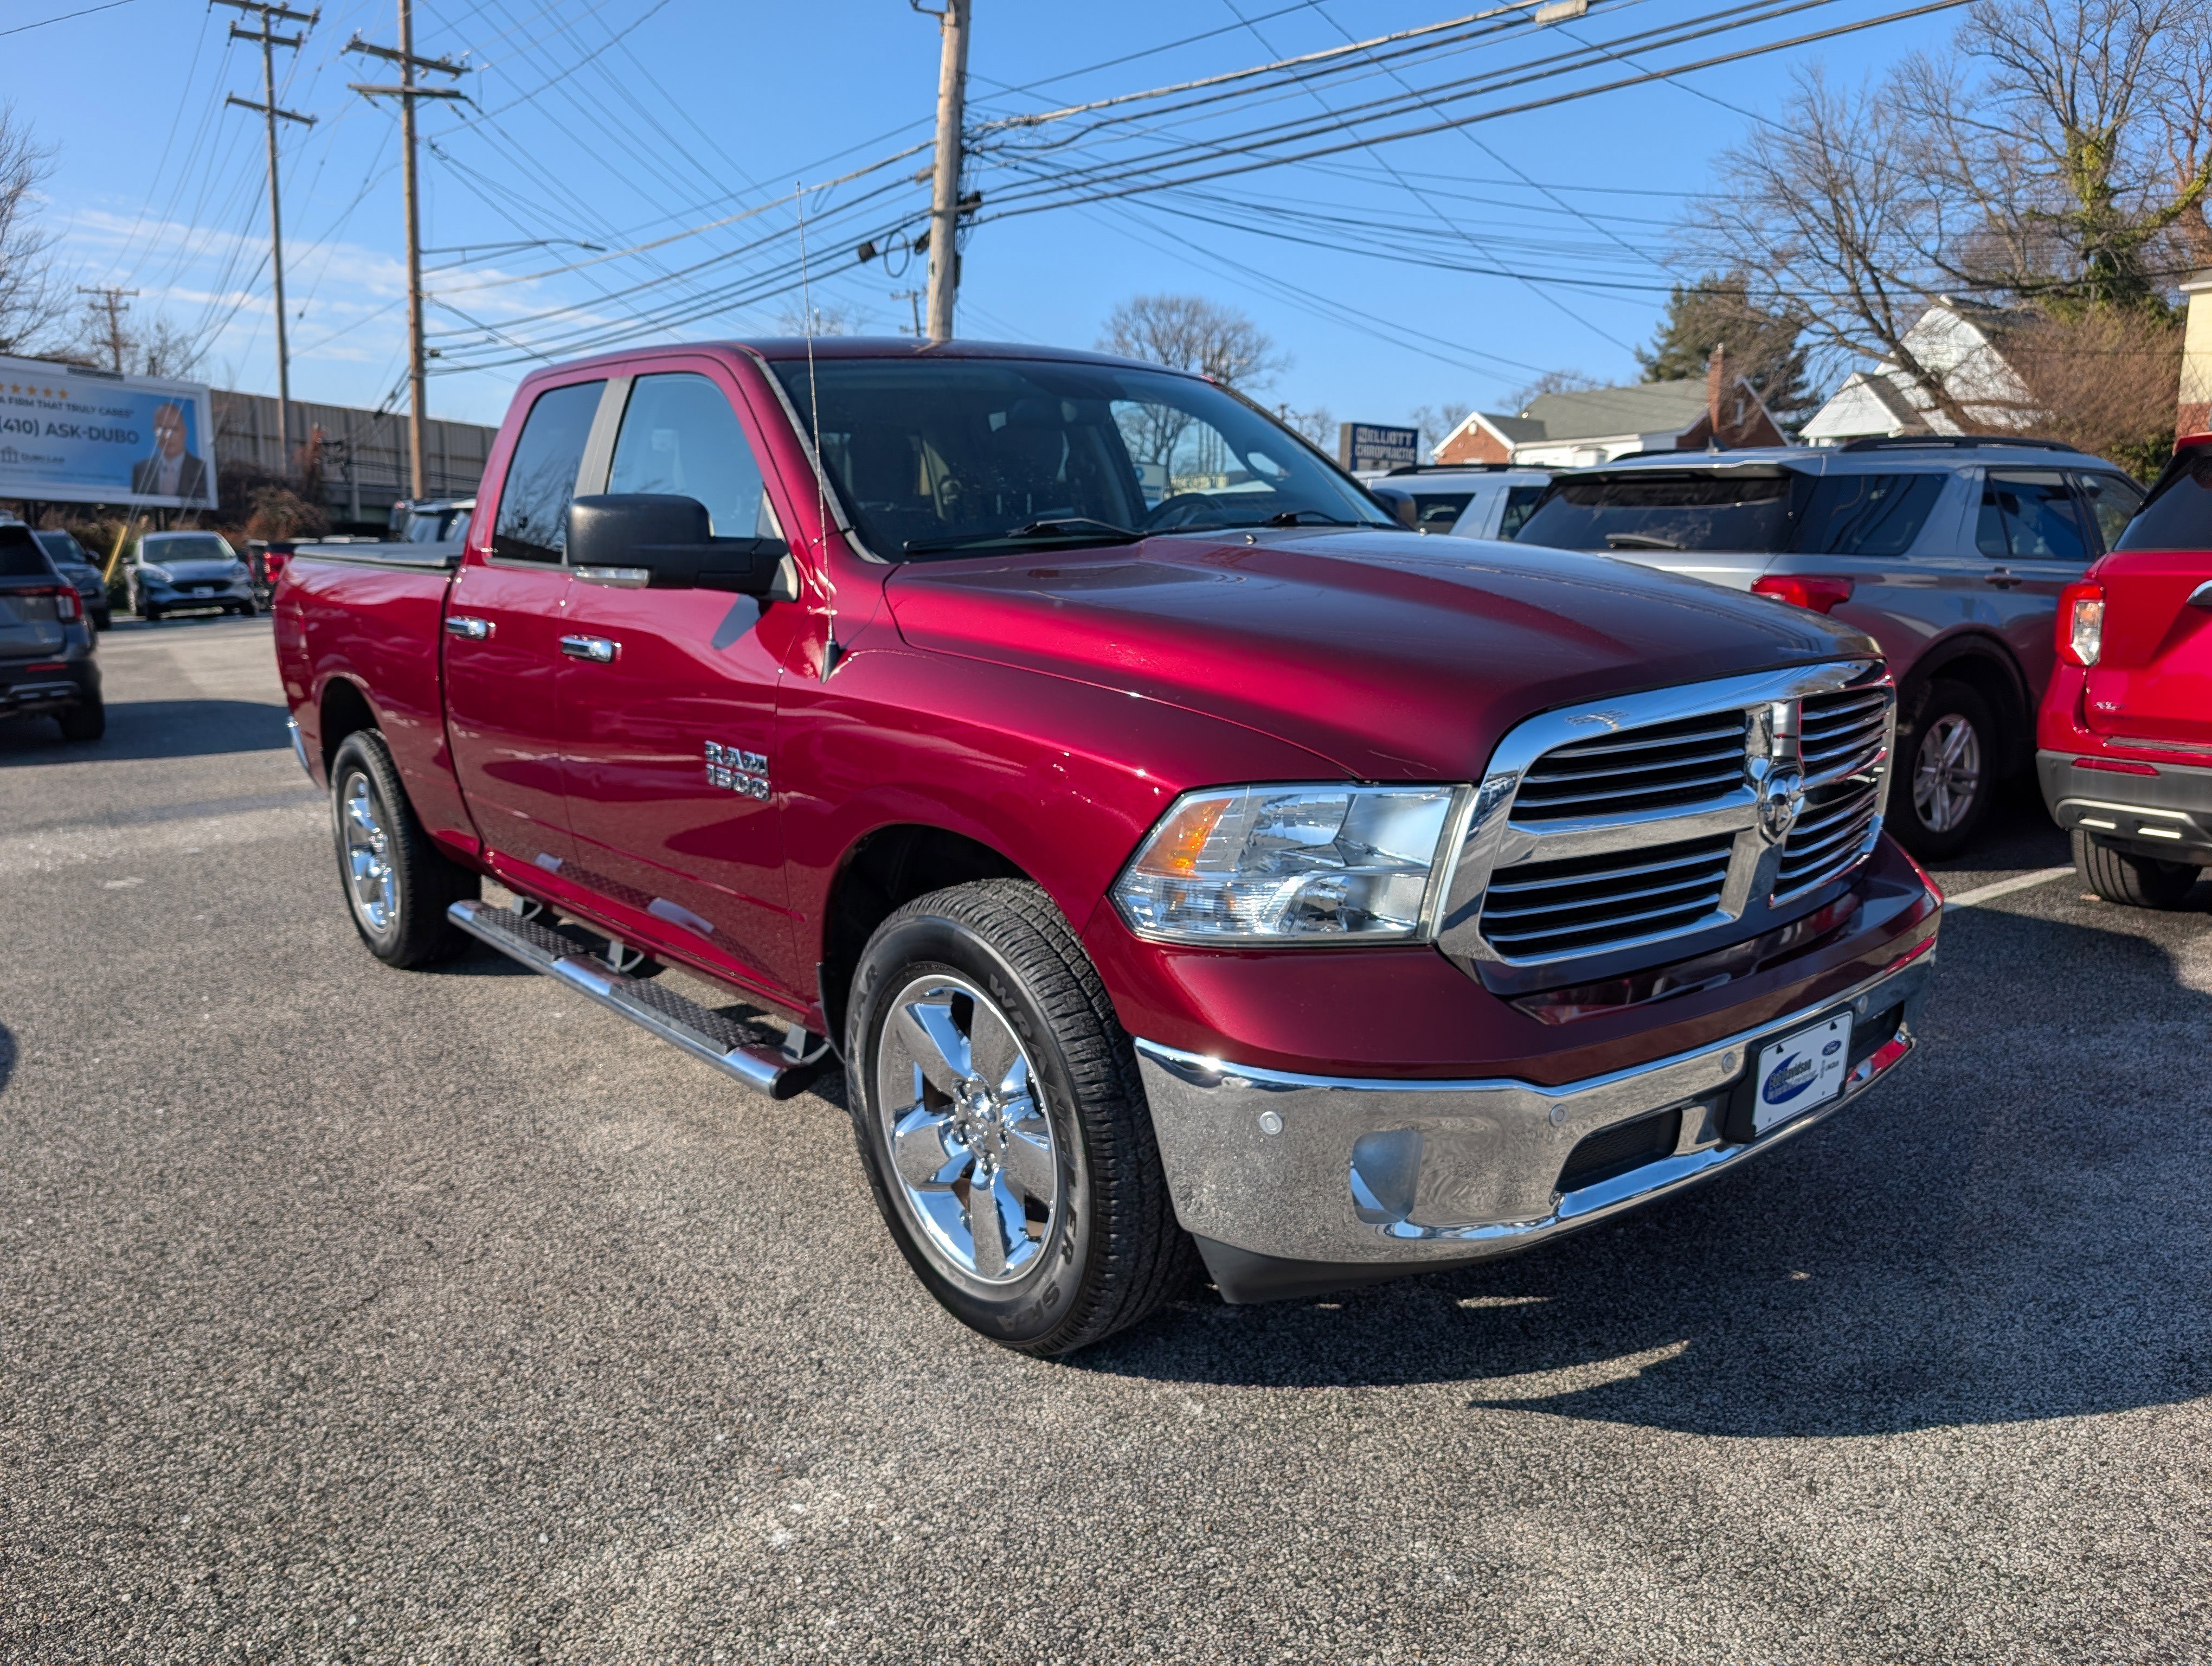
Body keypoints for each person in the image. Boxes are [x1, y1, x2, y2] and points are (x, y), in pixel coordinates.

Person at [131, 402, 208, 501]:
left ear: (184, 432)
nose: (167, 436)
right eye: (161, 429)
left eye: (174, 429)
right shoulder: (141, 470)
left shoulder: (202, 469)